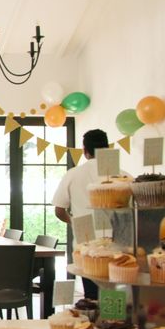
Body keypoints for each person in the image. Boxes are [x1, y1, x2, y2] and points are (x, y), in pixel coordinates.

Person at [52, 128, 124, 300]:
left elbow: (59, 210)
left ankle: (94, 323)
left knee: (92, 295)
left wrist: (74, 222)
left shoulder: (73, 174)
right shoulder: (123, 175)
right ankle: (113, 324)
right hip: (119, 244)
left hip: (86, 244)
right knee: (115, 294)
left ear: (85, 151)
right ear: (108, 148)